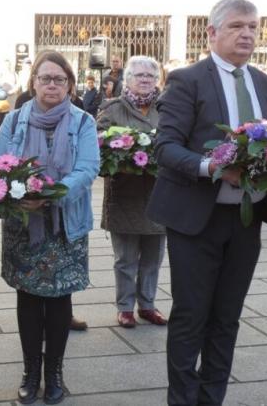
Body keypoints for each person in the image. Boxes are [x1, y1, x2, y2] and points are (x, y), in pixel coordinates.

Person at [146, 0, 267, 406]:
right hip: (196, 219)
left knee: (227, 318)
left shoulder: (265, 83)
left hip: (247, 218)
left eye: (254, 27)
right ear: (212, 33)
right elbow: (165, 147)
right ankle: (183, 400)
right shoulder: (188, 80)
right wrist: (213, 167)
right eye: (238, 26)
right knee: (191, 317)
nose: (247, 34)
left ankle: (212, 399)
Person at [0, 50, 99, 405]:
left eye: (59, 79)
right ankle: (30, 371)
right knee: (27, 298)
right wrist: (19, 193)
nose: (51, 85)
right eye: (45, 78)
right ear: (33, 82)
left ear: (69, 84)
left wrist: (51, 195)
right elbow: (0, 163)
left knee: (58, 301)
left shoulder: (83, 121)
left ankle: (54, 372)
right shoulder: (15, 119)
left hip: (64, 224)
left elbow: (87, 169)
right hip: (24, 224)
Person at [97, 56, 167, 329]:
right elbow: (99, 144)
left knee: (153, 257)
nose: (145, 80)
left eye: (150, 76)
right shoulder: (113, 108)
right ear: (126, 80)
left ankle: (147, 305)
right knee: (125, 259)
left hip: (159, 194)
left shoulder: (167, 108)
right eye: (139, 75)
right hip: (125, 194)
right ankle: (125, 307)